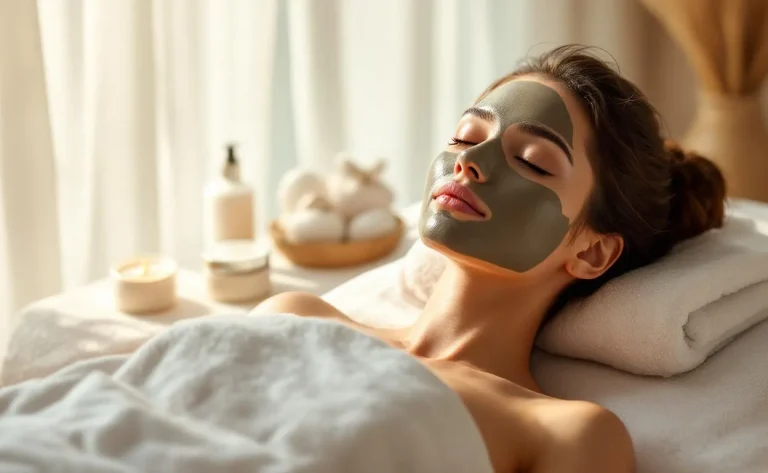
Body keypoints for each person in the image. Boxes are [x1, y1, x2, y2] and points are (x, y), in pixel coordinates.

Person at [254, 44, 726, 473]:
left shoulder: (564, 434)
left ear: (592, 251)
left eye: (533, 161)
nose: (468, 161)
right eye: (464, 136)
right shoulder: (295, 318)